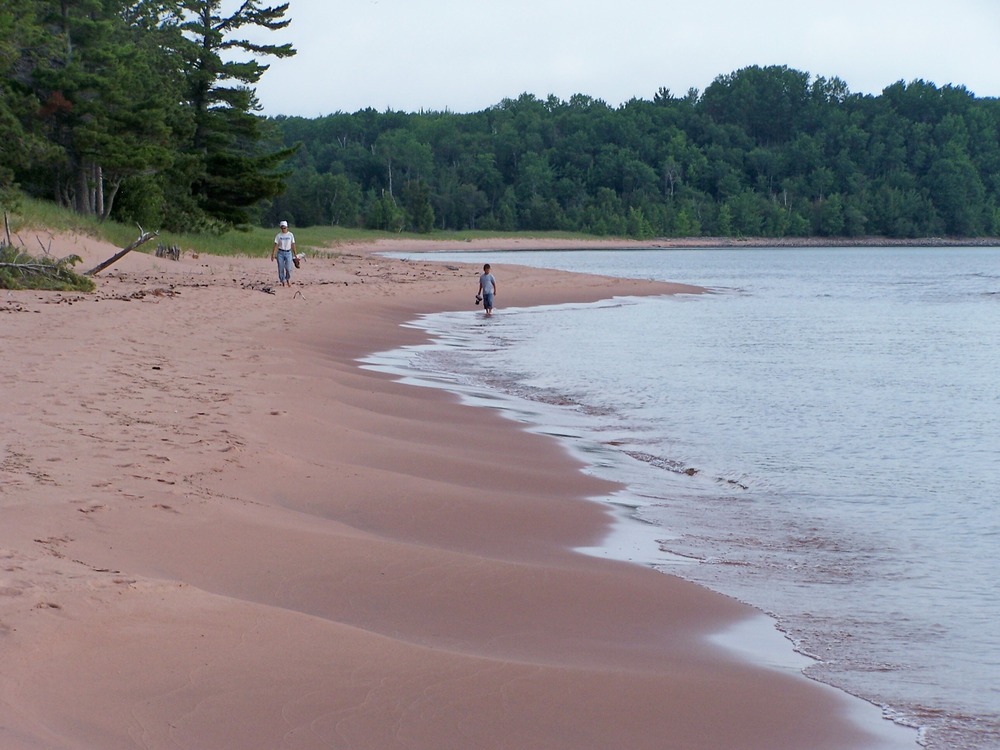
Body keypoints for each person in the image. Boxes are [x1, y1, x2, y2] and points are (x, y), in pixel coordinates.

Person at [271, 220, 296, 287]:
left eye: (284, 228)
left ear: (287, 227)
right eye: (282, 228)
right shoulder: (279, 235)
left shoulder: (290, 235)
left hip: (288, 252)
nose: (283, 229)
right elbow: (276, 245)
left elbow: (293, 244)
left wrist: (295, 254)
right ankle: (282, 280)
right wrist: (273, 254)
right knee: (281, 268)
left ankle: (288, 279)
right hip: (280, 253)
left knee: (288, 268)